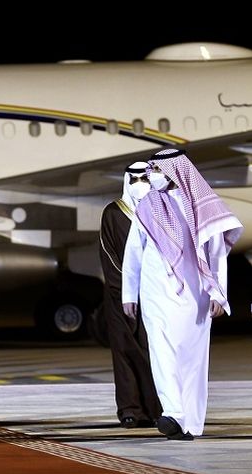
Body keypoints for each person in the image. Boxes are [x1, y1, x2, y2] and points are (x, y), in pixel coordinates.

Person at [122, 149, 243, 440]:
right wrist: (130, 294)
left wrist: (219, 294)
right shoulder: (147, 206)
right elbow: (134, 251)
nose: (154, 176)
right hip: (154, 290)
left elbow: (216, 256)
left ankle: (191, 422)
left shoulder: (203, 206)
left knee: (192, 357)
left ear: (176, 171)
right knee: (162, 352)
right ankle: (173, 413)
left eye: (159, 170)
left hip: (196, 293)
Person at [99, 162, 161, 428]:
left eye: (143, 177)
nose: (139, 182)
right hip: (120, 296)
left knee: (154, 352)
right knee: (124, 352)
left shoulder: (160, 211)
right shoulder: (113, 213)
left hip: (156, 294)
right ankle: (131, 410)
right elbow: (109, 256)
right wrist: (127, 290)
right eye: (134, 177)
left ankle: (157, 408)